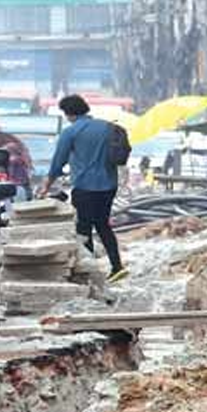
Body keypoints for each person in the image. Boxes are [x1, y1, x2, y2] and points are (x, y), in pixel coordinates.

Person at [41, 94, 126, 283]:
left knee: (83, 228)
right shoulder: (106, 127)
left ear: (68, 113)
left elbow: (58, 162)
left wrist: (46, 185)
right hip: (108, 186)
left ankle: (88, 273)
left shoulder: (71, 132)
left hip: (85, 187)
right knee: (103, 224)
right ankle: (117, 266)